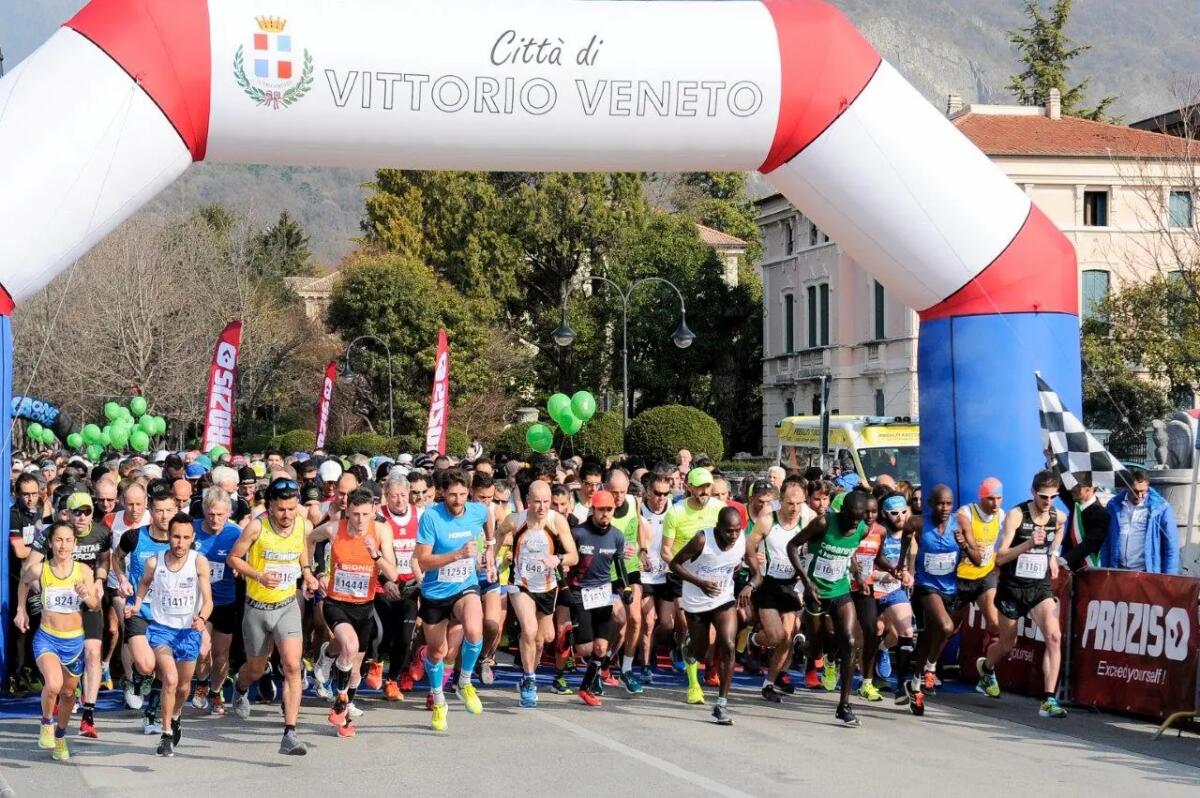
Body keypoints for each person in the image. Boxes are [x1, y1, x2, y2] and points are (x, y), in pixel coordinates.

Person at [228, 477, 320, 755]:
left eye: (292, 509)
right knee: (255, 668)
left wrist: (306, 572)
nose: (287, 515)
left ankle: (289, 733)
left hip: (287, 605)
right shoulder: (257, 527)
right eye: (281, 509)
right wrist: (258, 575)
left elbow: (302, 550)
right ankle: (241, 687)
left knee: (293, 665)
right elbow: (233, 559)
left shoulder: (302, 524)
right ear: (269, 507)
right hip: (257, 608)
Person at [307, 488, 399, 738]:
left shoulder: (381, 531)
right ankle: (339, 703)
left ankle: (344, 716)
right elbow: (309, 539)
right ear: (347, 511)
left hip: (364, 607)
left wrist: (375, 554)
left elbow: (392, 575)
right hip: (336, 603)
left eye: (365, 515)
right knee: (349, 644)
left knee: (355, 669)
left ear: (373, 512)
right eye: (355, 514)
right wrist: (315, 571)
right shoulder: (334, 529)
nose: (360, 521)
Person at [978, 470, 1067, 719]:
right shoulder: (1017, 516)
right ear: (1033, 492)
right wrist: (1028, 544)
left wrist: (1052, 555)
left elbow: (1061, 526)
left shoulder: (1057, 516)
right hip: (1012, 587)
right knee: (1008, 643)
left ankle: (1049, 700)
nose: (1048, 502)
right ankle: (986, 668)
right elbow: (1000, 557)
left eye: (1053, 497)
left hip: (1039, 587)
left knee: (1054, 636)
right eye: (1043, 497)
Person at [125, 513, 213, 757]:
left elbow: (208, 601)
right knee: (171, 679)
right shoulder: (155, 562)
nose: (180, 543)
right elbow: (144, 583)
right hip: (162, 629)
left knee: (184, 687)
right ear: (168, 537)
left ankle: (175, 717)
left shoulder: (199, 562)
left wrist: (202, 620)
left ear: (193, 538)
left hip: (189, 631)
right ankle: (165, 734)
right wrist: (137, 603)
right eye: (176, 537)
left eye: (186, 538)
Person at [413, 468, 492, 732]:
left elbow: (489, 517)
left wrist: (489, 546)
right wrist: (456, 555)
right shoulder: (431, 517)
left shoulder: (477, 511)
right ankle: (438, 701)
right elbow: (422, 561)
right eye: (452, 495)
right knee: (438, 653)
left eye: (462, 494)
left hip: (464, 586)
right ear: (443, 494)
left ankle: (465, 682)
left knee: (474, 629)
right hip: (435, 593)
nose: (458, 501)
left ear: (468, 492)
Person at [15, 521, 99, 762]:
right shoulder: (40, 570)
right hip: (47, 638)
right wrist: (21, 610)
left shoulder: (83, 570)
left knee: (69, 693)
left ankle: (60, 737)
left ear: (74, 543)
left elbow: (93, 605)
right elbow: (23, 581)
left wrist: (85, 595)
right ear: (50, 543)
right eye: (58, 540)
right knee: (53, 684)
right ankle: (46, 722)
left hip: (73, 642)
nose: (63, 545)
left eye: (68, 540)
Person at [787, 490, 872, 727]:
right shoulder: (824, 522)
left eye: (859, 518)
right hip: (815, 591)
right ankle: (802, 646)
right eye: (851, 517)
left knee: (850, 642)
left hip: (840, 590)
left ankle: (844, 705)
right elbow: (792, 546)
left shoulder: (863, 529)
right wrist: (806, 581)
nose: (854, 523)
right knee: (815, 649)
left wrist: (858, 576)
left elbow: (849, 553)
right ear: (842, 510)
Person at [498, 480, 578, 707]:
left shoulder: (557, 521)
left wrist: (559, 559)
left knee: (544, 639)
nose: (542, 507)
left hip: (547, 585)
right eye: (537, 502)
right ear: (527, 501)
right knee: (529, 629)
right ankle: (530, 680)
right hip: (520, 584)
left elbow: (574, 556)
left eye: (546, 502)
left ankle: (527, 673)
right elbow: (498, 533)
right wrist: (493, 559)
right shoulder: (516, 519)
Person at [671, 506, 752, 725]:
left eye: (737, 530)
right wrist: (700, 582)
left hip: (723, 599)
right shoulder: (701, 540)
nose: (733, 535)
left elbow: (755, 570)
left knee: (728, 644)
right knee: (701, 653)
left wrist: (750, 585)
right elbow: (674, 564)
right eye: (728, 531)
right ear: (718, 528)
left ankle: (721, 704)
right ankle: (689, 646)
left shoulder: (742, 540)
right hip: (696, 601)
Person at [907, 485, 977, 716]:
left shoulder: (961, 523)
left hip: (950, 588)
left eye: (948, 503)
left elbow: (977, 558)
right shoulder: (918, 522)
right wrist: (902, 567)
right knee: (946, 627)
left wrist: (964, 545)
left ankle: (915, 684)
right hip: (926, 587)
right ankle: (931, 667)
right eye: (940, 503)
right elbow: (902, 537)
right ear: (930, 504)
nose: (944, 508)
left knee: (928, 638)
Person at [112, 488, 177, 734]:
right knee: (146, 664)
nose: (164, 516)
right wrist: (122, 579)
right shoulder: (134, 537)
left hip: (167, 614)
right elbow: (115, 558)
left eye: (169, 510)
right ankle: (138, 678)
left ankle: (151, 715)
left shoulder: (181, 539)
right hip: (138, 609)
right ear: (151, 511)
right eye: (159, 511)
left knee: (163, 670)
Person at [565, 490, 628, 707]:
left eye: (609, 510)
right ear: (592, 510)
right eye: (601, 509)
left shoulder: (617, 536)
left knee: (601, 648)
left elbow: (620, 565)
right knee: (584, 650)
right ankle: (568, 636)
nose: (605, 514)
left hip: (603, 594)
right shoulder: (578, 533)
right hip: (579, 593)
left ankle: (585, 688)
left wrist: (626, 587)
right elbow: (567, 562)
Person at [745, 480, 805, 704]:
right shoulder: (767, 520)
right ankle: (754, 638)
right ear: (781, 501)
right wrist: (756, 573)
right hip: (769, 584)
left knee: (787, 639)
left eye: (799, 503)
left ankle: (768, 684)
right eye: (790, 503)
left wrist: (804, 583)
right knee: (776, 636)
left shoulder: (806, 521)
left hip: (791, 585)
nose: (795, 508)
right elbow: (749, 547)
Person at [191, 488, 243, 716]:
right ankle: (201, 682)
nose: (215, 519)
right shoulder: (192, 530)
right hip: (199, 601)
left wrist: (240, 570)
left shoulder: (236, 533)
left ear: (229, 513)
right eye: (211, 514)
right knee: (203, 650)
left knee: (221, 654)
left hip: (225, 601)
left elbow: (246, 559)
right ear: (205, 511)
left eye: (221, 515)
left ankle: (215, 691)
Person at [952, 477, 1004, 697]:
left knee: (995, 624)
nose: (995, 503)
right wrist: (972, 548)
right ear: (981, 498)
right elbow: (971, 546)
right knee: (949, 628)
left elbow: (1002, 547)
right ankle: (928, 667)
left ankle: (987, 671)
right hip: (961, 576)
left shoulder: (1001, 516)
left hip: (985, 577)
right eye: (990, 499)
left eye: (999, 498)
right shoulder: (966, 513)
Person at [377, 475, 422, 699]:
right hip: (383, 586)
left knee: (405, 636)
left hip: (410, 587)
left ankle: (392, 681)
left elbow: (427, 551)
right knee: (383, 634)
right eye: (394, 495)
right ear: (386, 495)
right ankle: (375, 661)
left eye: (403, 495)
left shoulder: (420, 515)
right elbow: (371, 555)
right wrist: (385, 581)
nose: (399, 500)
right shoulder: (378, 517)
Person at [605, 468, 649, 694]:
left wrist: (642, 550)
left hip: (629, 571)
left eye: (622, 491)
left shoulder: (633, 501)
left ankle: (627, 669)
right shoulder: (602, 509)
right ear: (605, 489)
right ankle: (603, 660)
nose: (619, 496)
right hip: (607, 572)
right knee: (619, 622)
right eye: (614, 491)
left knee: (634, 618)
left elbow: (640, 525)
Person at [1102, 468, 1180, 574]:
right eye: (1135, 491)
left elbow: (1172, 546)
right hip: (1118, 571)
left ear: (1147, 487)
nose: (1139, 496)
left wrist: (1170, 579)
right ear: (1127, 487)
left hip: (1147, 573)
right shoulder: (1113, 505)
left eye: (1143, 491)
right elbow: (1107, 541)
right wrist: (1105, 570)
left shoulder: (1161, 508)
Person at [1060, 473, 1109, 572]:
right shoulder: (1074, 503)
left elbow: (1090, 544)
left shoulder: (1101, 514)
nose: (1072, 488)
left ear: (1090, 488)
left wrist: (1063, 560)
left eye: (1077, 485)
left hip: (1086, 570)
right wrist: (1052, 461)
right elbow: (1060, 487)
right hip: (1065, 568)